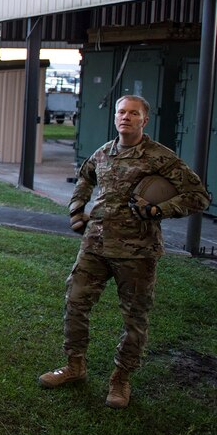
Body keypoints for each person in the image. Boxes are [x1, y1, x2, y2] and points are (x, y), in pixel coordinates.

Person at [38, 95, 209, 409]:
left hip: (137, 251)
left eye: (133, 113)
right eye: (121, 112)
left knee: (135, 318)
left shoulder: (160, 157)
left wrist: (159, 210)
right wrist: (77, 208)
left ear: (144, 119)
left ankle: (121, 378)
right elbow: (85, 178)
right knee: (75, 302)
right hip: (96, 244)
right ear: (115, 117)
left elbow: (198, 196)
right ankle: (74, 366)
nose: (125, 117)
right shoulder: (104, 152)